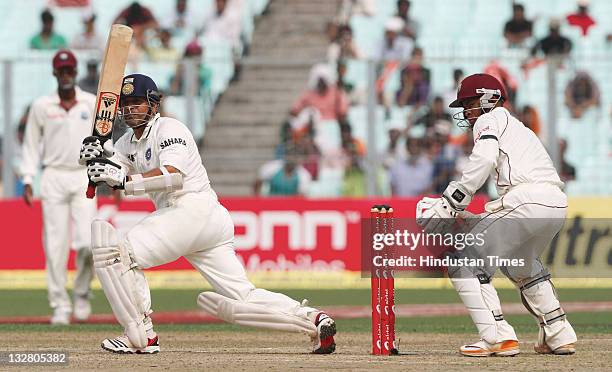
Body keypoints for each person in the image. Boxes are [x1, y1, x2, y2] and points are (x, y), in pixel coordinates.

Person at [79, 74, 336, 354]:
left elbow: (172, 177)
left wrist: (123, 180)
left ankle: (141, 336)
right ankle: (314, 320)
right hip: (202, 221)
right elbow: (108, 169)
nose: (130, 109)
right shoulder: (127, 141)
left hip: (191, 208)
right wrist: (90, 157)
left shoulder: (170, 128)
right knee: (243, 295)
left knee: (118, 253)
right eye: (126, 103)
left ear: (154, 104)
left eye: (137, 102)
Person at [417, 73, 577, 356]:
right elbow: (517, 195)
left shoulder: (490, 118)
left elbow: (485, 158)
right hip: (554, 204)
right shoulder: (519, 128)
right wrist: (473, 216)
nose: (466, 112)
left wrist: (452, 201)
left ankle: (497, 337)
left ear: (488, 98)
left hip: (527, 201)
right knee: (522, 266)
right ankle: (559, 333)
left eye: (468, 103)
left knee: (464, 260)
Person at [20, 50, 97, 325]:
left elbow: (103, 141)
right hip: (52, 176)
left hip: (83, 175)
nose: (66, 75)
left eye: (69, 70)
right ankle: (60, 306)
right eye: (61, 71)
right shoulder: (42, 105)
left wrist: (111, 176)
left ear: (75, 72)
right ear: (54, 73)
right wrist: (28, 178)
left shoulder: (90, 103)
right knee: (55, 246)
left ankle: (82, 293)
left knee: (88, 243)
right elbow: (30, 144)